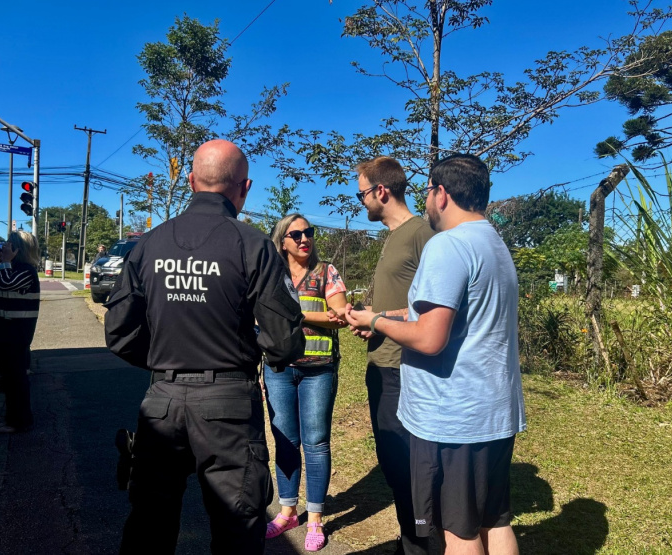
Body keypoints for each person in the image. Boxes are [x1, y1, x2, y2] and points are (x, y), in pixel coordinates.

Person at [110, 139, 305, 555]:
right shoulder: (253, 245)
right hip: (228, 406)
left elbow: (120, 334)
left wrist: (166, 357)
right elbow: (284, 342)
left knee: (148, 525)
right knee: (237, 528)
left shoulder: (148, 244)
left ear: (191, 180)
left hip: (162, 400)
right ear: (245, 187)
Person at [346, 154, 526, 555]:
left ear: (442, 194)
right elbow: (444, 313)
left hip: (455, 418)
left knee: (457, 532)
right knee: (493, 522)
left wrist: (376, 324)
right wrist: (382, 314)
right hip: (494, 411)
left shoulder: (448, 245)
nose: (426, 200)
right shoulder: (493, 243)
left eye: (428, 191)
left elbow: (429, 338)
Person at [348, 156, 436, 555]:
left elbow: (436, 308)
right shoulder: (393, 236)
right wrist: (373, 322)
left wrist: (378, 318)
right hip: (381, 364)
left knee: (407, 465)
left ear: (381, 191)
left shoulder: (423, 233)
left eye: (362, 192)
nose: (361, 201)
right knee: (392, 461)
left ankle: (420, 544)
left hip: (406, 370)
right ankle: (410, 539)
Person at [263, 213, 348, 552]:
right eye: (295, 234)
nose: (304, 239)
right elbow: (257, 312)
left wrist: (292, 313)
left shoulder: (326, 272)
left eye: (308, 232)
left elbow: (339, 315)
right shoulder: (271, 273)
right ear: (282, 240)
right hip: (279, 368)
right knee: (284, 441)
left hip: (318, 370)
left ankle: (314, 517)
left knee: (315, 443)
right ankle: (287, 512)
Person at [0, 231, 40, 434]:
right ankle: (12, 418)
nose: (4, 247)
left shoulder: (26, 270)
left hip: (16, 332)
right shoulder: (9, 267)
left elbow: (7, 283)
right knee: (8, 378)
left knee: (16, 378)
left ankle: (20, 421)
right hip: (4, 330)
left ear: (19, 249)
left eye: (9, 244)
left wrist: (6, 263)